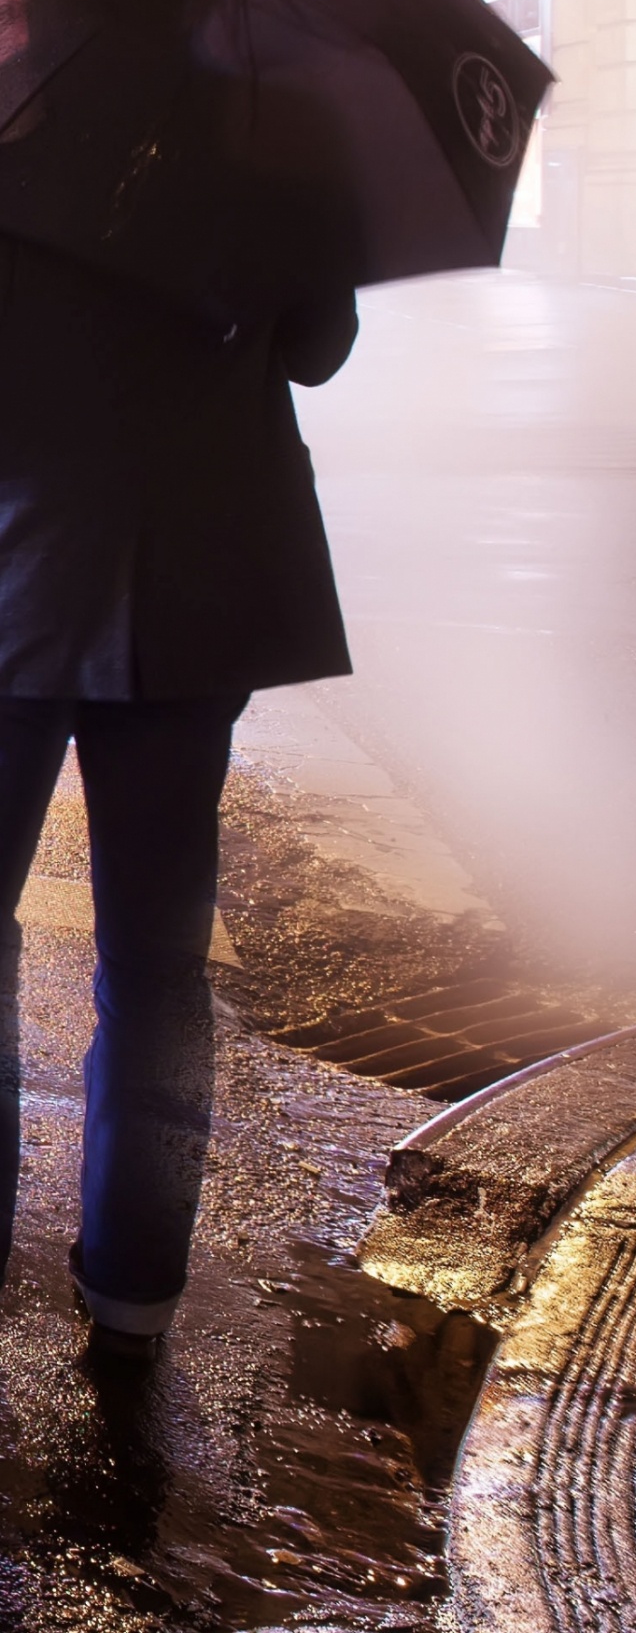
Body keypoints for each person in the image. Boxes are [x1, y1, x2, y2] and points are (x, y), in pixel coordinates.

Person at [0, 226, 356, 1363]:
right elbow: (319, 343)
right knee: (156, 963)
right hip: (197, 575)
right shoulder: (257, 128)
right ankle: (135, 1290)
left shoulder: (18, 119)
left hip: (16, 566)